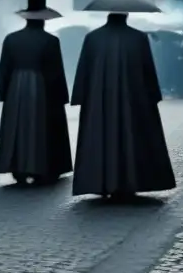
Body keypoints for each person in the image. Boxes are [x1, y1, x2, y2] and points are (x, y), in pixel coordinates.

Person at [72, 11, 175, 199]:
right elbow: (147, 70)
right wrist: (153, 96)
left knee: (101, 137)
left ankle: (101, 181)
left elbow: (84, 70)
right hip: (133, 97)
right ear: (126, 15)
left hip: (99, 98)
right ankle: (128, 181)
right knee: (131, 136)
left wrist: (79, 96)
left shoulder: (92, 38)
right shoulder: (138, 38)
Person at [0, 0, 71, 184]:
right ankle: (41, 167)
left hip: (16, 87)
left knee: (17, 126)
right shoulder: (51, 41)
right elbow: (56, 71)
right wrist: (61, 96)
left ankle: (18, 167)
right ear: (44, 19)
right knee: (42, 126)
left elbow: (4, 68)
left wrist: (3, 92)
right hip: (41, 87)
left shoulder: (11, 39)